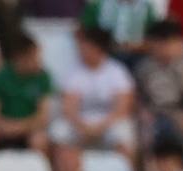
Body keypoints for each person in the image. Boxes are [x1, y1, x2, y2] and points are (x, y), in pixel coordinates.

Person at [52, 26, 137, 157]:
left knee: (123, 135)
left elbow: (122, 108)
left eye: (85, 46)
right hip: (80, 121)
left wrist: (100, 128)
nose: (81, 50)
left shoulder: (117, 71)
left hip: (109, 121)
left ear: (97, 48)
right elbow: (69, 108)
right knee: (58, 133)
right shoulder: (74, 72)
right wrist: (82, 127)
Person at [0, 31, 54, 163]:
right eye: (34, 57)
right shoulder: (0, 77)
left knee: (40, 141)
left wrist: (19, 127)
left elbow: (43, 116)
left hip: (30, 129)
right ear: (20, 58)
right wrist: (5, 127)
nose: (38, 61)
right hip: (3, 128)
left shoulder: (43, 77)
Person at [135, 18, 183, 141]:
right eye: (153, 45)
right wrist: (144, 112)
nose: (154, 49)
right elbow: (140, 98)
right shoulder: (145, 68)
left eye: (159, 44)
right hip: (163, 115)